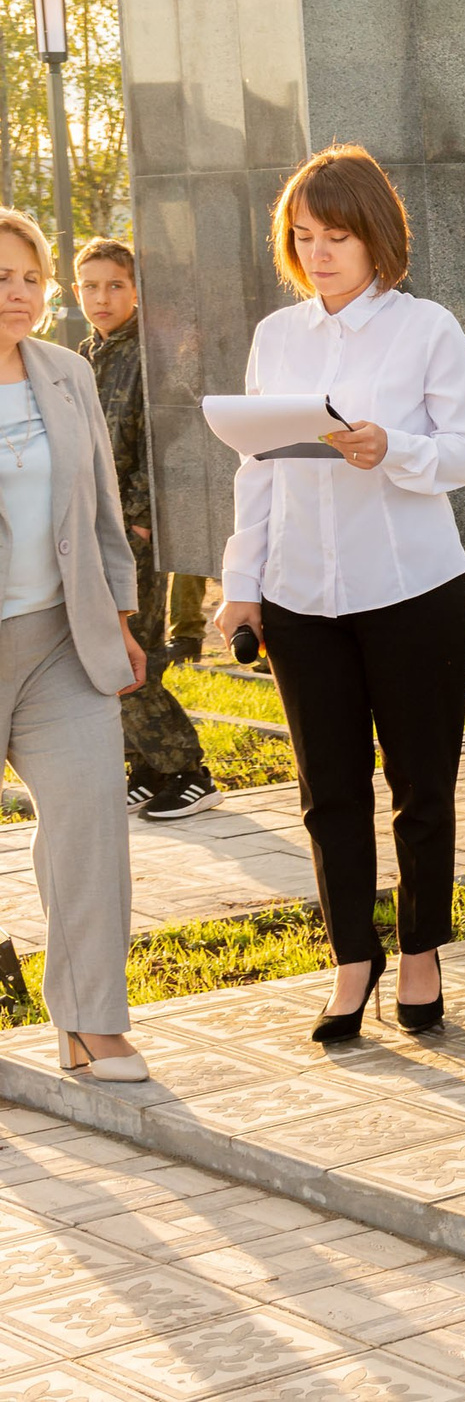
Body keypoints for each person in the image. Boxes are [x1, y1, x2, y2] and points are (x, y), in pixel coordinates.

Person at [213, 145, 465, 1044]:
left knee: (421, 786)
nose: (320, 252)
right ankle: (351, 959)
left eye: (337, 235)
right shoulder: (275, 338)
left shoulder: (428, 328)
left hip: (412, 590)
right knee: (327, 788)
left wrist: (392, 449)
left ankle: (420, 952)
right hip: (299, 597)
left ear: (377, 237)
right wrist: (243, 586)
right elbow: (256, 472)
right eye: (304, 235)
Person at [0, 212, 153, 1081]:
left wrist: (121, 621)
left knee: (91, 819)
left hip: (64, 636)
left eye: (30, 277)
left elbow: (99, 508)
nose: (17, 293)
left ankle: (91, 1019)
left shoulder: (66, 374)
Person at [75, 238, 219, 820]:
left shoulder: (154, 358)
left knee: (122, 654)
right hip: (86, 531)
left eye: (114, 284)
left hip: (131, 534)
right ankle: (149, 767)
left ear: (137, 290)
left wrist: (135, 524)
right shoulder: (85, 356)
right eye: (89, 285)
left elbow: (170, 447)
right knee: (117, 654)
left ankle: (189, 771)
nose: (101, 297)